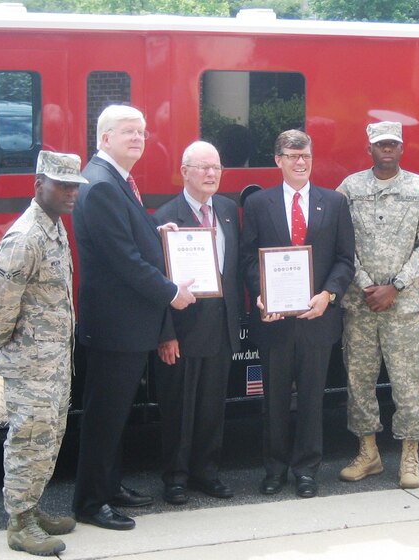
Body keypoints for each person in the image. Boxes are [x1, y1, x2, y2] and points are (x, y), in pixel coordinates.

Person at [72, 105, 196, 531]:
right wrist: (171, 292)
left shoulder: (114, 180)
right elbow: (122, 261)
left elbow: (128, 237)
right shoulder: (103, 185)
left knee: (116, 414)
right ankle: (91, 502)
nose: (138, 138)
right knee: (104, 416)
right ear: (104, 138)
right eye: (128, 131)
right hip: (114, 326)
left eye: (142, 131)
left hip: (122, 325)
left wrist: (157, 234)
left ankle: (110, 485)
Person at [0, 150, 88, 556]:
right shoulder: (26, 237)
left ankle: (32, 507)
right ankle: (19, 524)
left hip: (54, 362)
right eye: (61, 185)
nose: (71, 193)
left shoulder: (54, 229)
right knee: (28, 438)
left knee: (48, 437)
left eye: (74, 185)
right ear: (38, 185)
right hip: (31, 364)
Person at [241, 129, 355, 499]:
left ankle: (306, 469)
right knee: (273, 401)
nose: (300, 162)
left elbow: (344, 259)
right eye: (292, 156)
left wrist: (329, 294)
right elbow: (247, 258)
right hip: (273, 322)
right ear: (278, 161)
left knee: (311, 398)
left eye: (305, 155)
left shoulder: (334, 203)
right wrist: (260, 295)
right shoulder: (259, 204)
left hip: (317, 319)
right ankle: (274, 469)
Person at [336, 121, 419, 489]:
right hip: (361, 303)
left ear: (402, 148)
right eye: (380, 144)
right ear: (369, 148)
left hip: (403, 306)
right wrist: (368, 285)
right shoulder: (350, 188)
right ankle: (369, 454)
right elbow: (340, 241)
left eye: (393, 144)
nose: (387, 149)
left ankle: (410, 456)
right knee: (359, 380)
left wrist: (395, 286)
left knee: (408, 381)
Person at [152, 141, 241, 505]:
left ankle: (206, 472)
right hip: (183, 332)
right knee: (179, 409)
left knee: (211, 407)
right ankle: (175, 477)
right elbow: (155, 281)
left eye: (216, 168)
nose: (210, 174)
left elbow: (233, 268)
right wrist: (166, 334)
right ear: (184, 171)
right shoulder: (164, 215)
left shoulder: (228, 210)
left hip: (221, 327)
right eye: (202, 167)